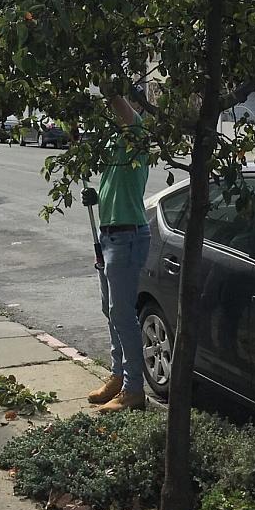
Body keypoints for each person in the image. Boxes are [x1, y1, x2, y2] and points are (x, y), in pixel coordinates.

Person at [82, 80, 151, 412]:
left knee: (123, 315)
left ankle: (134, 389)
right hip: (109, 236)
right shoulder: (115, 144)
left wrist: (104, 82)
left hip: (127, 237)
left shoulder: (137, 136)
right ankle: (118, 376)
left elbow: (122, 109)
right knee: (112, 313)